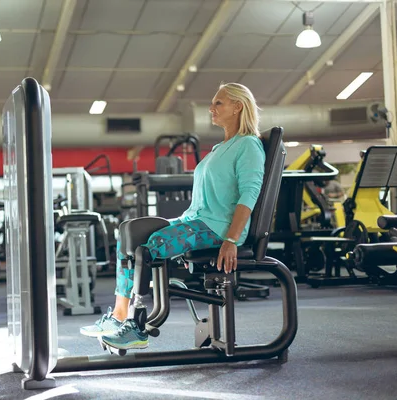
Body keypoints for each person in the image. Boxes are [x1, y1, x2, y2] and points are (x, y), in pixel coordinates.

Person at [80, 82, 266, 351]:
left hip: (218, 227)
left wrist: (232, 239)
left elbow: (249, 194)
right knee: (128, 232)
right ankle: (119, 315)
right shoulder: (219, 148)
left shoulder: (248, 145)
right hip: (196, 220)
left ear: (238, 107)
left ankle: (136, 327)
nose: (211, 108)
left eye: (219, 103)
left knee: (152, 245)